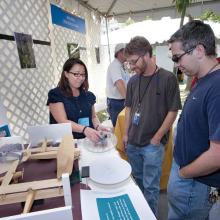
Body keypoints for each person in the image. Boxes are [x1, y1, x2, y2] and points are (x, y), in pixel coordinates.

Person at [122, 36, 181, 216]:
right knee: (138, 183)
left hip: (152, 146)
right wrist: (125, 134)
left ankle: (150, 216)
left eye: (134, 62)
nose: (132, 67)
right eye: (129, 63)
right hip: (133, 142)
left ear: (147, 55)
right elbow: (129, 108)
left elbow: (173, 111)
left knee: (150, 187)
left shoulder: (168, 78)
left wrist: (157, 138)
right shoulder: (133, 81)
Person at [167, 20, 220, 220]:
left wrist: (183, 173)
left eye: (178, 57)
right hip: (188, 177)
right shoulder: (203, 79)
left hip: (194, 182)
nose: (177, 65)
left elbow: (217, 155)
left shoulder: (217, 87)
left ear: (199, 50)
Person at [47, 58, 107, 142]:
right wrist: (85, 129)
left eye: (83, 74)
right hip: (67, 144)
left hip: (89, 141)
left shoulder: (88, 95)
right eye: (76, 74)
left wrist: (98, 126)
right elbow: (62, 121)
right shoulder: (56, 95)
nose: (81, 78)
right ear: (66, 74)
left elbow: (93, 117)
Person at [106, 43, 129, 127]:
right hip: (116, 102)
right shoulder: (114, 66)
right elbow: (119, 83)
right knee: (119, 127)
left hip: (121, 101)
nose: (128, 54)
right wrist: (129, 101)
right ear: (119, 53)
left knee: (124, 126)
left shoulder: (122, 66)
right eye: (126, 52)